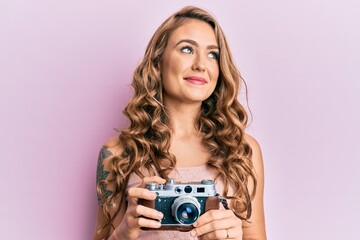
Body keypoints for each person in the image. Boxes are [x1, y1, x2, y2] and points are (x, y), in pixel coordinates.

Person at [94, 6, 266, 240]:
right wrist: (124, 232)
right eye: (187, 49)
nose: (200, 64)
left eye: (213, 54)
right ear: (158, 61)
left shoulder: (243, 151)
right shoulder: (117, 154)